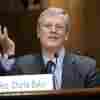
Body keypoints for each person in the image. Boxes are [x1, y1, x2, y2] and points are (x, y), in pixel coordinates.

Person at [0, 7, 96, 89]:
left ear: (66, 34)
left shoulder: (86, 67)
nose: (53, 30)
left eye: (59, 27)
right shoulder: (22, 65)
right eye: (47, 26)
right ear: (38, 32)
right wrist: (8, 54)